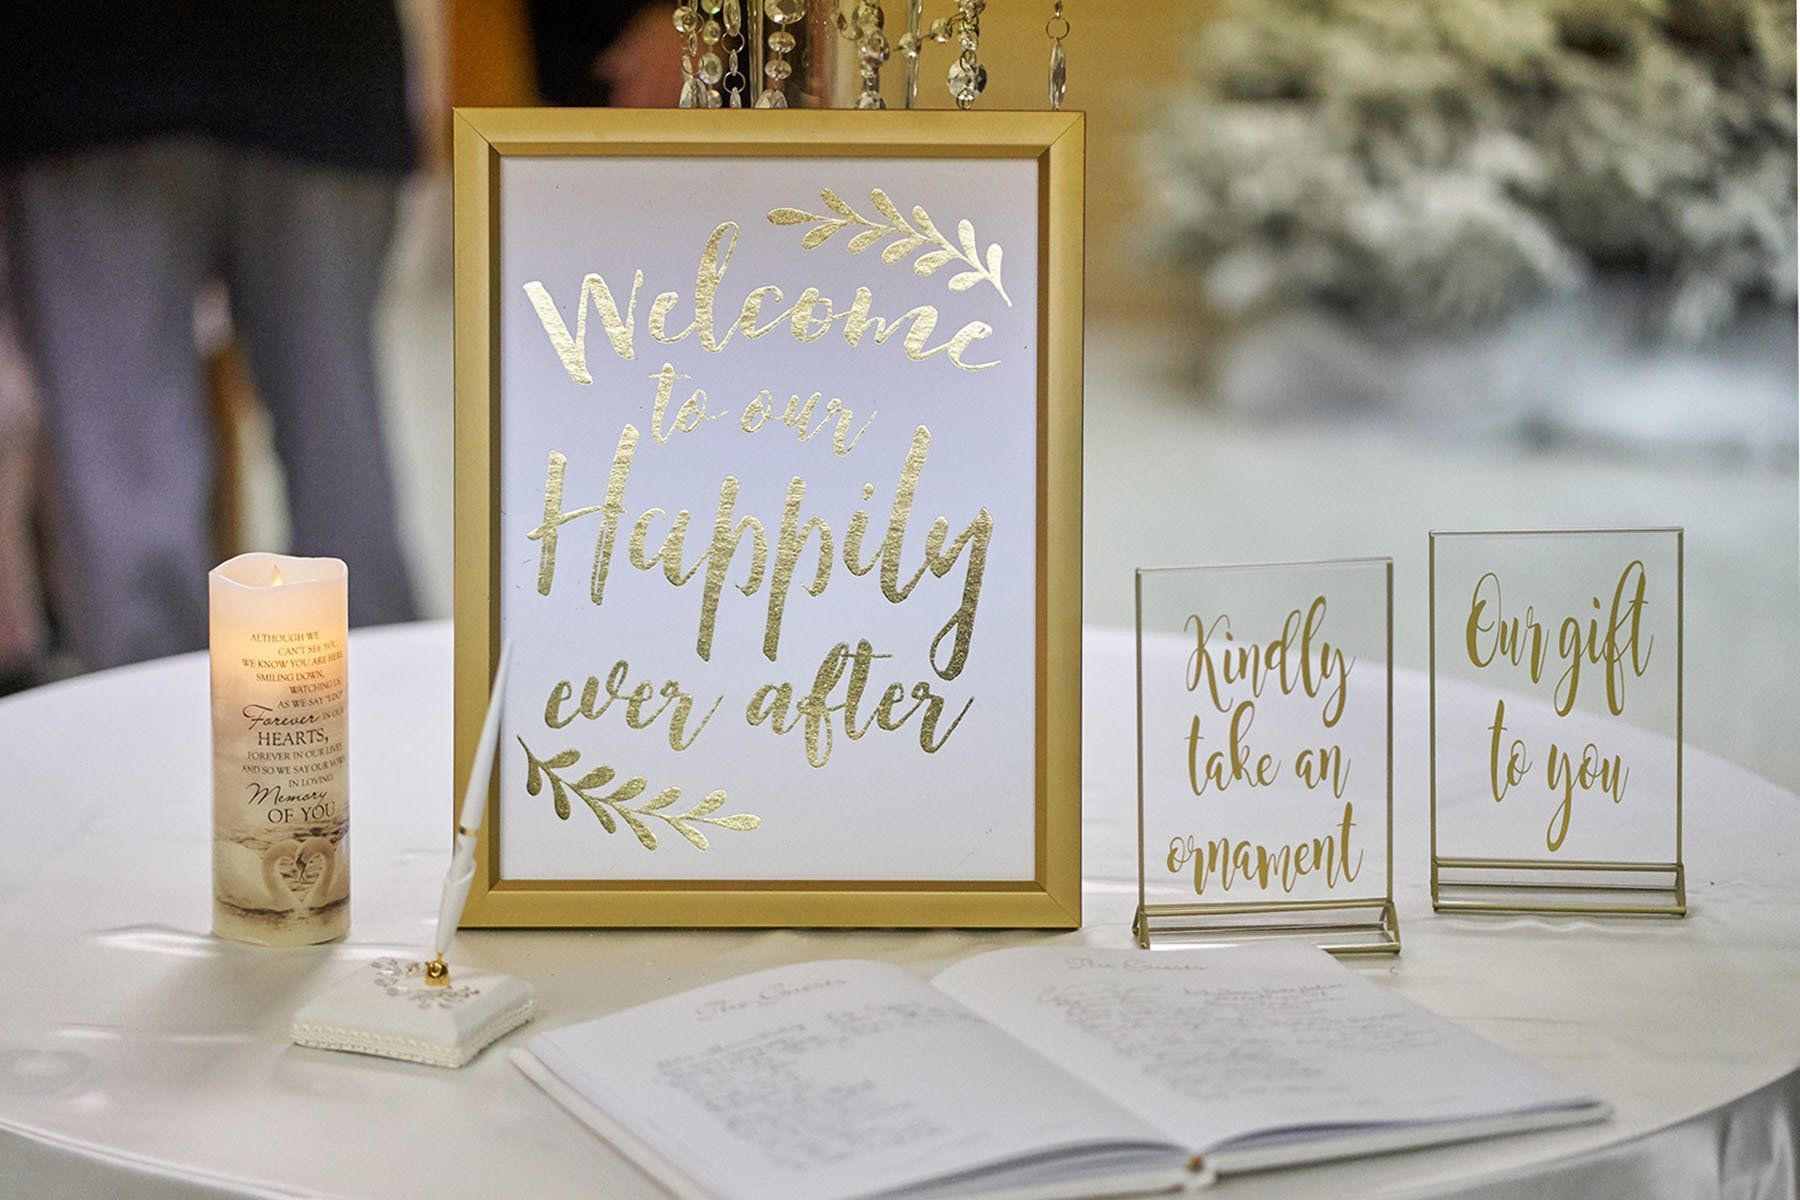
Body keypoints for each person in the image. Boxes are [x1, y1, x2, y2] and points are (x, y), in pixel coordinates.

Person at [0, 1, 417, 671]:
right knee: (332, 448)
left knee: (134, 476)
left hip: (131, 76)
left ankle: (381, 717)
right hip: (99, 78)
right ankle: (157, 741)